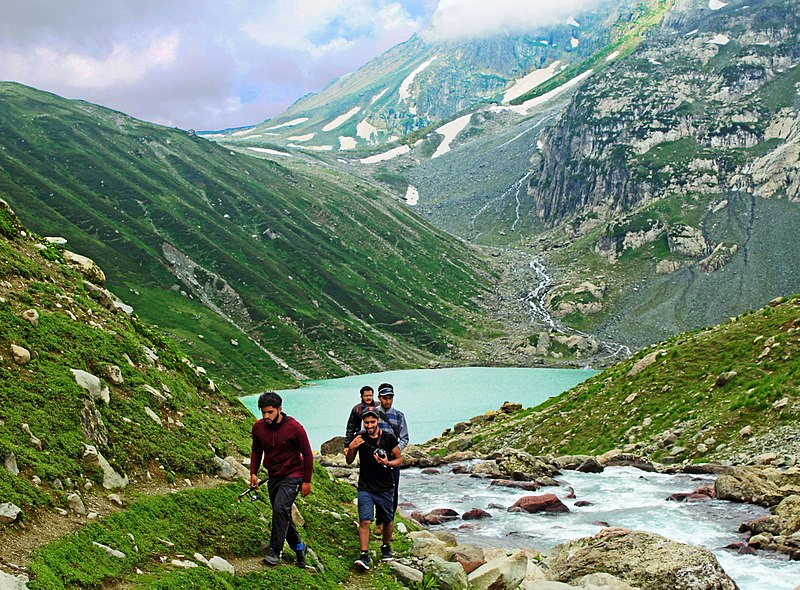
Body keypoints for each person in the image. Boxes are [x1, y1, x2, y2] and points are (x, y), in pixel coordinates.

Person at [249, 391, 313, 568]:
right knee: (282, 513)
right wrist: (253, 472)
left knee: (279, 508)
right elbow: (256, 450)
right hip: (273, 476)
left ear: (279, 409)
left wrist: (306, 481)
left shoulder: (294, 427)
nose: (266, 416)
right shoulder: (258, 427)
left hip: (293, 475)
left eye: (270, 412)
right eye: (263, 412)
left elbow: (307, 454)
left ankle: (274, 552)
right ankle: (299, 548)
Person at [345, 409, 401, 570]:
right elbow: (349, 461)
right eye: (366, 423)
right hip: (366, 487)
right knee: (364, 520)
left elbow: (399, 459)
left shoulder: (389, 438)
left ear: (377, 422)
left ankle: (386, 546)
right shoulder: (360, 438)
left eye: (372, 422)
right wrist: (351, 447)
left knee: (388, 519)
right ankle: (364, 555)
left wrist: (387, 463)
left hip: (385, 486)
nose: (369, 426)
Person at [373, 383, 408, 538]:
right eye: (385, 398)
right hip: (376, 460)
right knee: (377, 491)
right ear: (379, 398)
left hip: (393, 460)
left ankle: (388, 525)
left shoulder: (399, 415)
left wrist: (395, 449)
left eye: (390, 398)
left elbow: (404, 438)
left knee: (393, 492)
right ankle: (378, 522)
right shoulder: (372, 414)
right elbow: (365, 433)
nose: (388, 401)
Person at [343, 385, 378, 451]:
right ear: (361, 397)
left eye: (370, 395)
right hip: (362, 439)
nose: (369, 398)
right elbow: (351, 428)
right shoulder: (356, 409)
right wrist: (347, 445)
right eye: (366, 396)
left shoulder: (378, 407)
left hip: (377, 438)